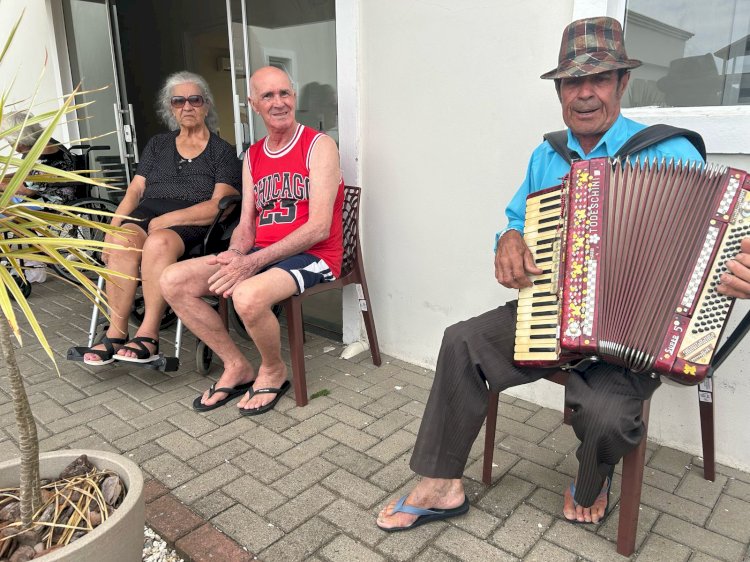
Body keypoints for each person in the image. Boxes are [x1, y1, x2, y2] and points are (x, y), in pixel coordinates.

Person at [376, 16, 750, 532]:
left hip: (634, 336)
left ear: (622, 84)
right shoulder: (545, 155)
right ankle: (442, 482)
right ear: (559, 90)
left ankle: (591, 481)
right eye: (573, 81)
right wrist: (507, 240)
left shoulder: (671, 151)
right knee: (461, 341)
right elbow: (515, 221)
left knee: (606, 417)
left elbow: (718, 247)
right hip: (549, 312)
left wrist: (738, 268)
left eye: (600, 79)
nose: (586, 93)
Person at [160, 66, 344, 415]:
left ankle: (273, 368)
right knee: (172, 279)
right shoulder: (254, 156)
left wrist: (252, 263)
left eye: (284, 93)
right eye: (268, 96)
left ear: (294, 96)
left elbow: (319, 227)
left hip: (313, 254)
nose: (278, 103)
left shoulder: (319, 146)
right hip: (263, 253)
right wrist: (234, 256)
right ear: (253, 104)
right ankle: (236, 365)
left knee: (246, 295)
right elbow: (246, 224)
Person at [78, 71, 241, 365]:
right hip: (148, 213)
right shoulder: (157, 145)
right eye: (179, 101)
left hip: (192, 222)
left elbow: (221, 204)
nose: (187, 106)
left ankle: (149, 334)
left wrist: (170, 219)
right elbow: (134, 191)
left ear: (206, 106)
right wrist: (110, 232)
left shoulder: (222, 151)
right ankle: (115, 333)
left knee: (159, 242)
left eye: (195, 99)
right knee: (123, 240)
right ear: (171, 108)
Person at [1, 111, 77, 205]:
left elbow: (25, 190)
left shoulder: (42, 161)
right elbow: (24, 174)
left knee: (5, 208)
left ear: (17, 142)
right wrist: (3, 178)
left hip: (54, 200)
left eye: (9, 142)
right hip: (57, 188)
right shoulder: (45, 143)